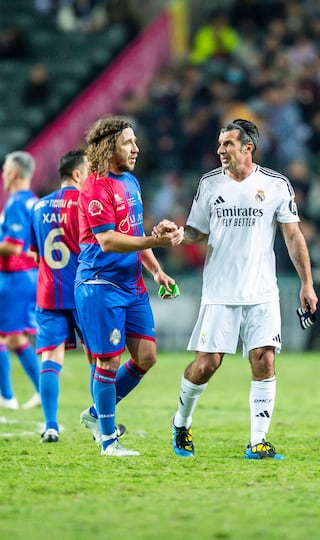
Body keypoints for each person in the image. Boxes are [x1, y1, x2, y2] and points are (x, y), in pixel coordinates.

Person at [154, 118, 318, 460]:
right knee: (206, 365)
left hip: (262, 292)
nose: (220, 150)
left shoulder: (275, 185)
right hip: (219, 292)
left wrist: (307, 283)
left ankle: (258, 441)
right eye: (219, 144)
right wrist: (178, 235)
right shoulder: (210, 184)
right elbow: (197, 231)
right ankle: (181, 423)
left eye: (228, 144)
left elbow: (293, 235)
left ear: (248, 147)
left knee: (264, 360)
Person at [74, 115, 183, 457]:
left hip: (131, 284)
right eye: (128, 142)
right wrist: (153, 239)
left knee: (146, 357)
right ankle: (109, 441)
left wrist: (156, 270)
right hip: (100, 284)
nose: (136, 148)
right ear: (109, 147)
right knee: (107, 363)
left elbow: (134, 234)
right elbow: (107, 240)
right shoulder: (94, 187)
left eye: (135, 142)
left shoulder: (131, 183)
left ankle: (95, 414)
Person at [30, 150, 90, 442]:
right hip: (82, 291)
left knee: (50, 360)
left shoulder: (39, 206)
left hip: (48, 292)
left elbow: (33, 253)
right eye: (89, 171)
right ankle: (100, 424)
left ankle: (51, 425)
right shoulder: (85, 204)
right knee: (98, 359)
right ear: (77, 175)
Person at [0, 151, 40, 410]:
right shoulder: (34, 202)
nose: (3, 174)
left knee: (3, 337)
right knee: (14, 338)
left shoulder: (15, 203)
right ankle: (40, 390)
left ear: (14, 173)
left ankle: (6, 397)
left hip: (14, 276)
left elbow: (13, 246)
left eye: (5, 169)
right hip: (29, 276)